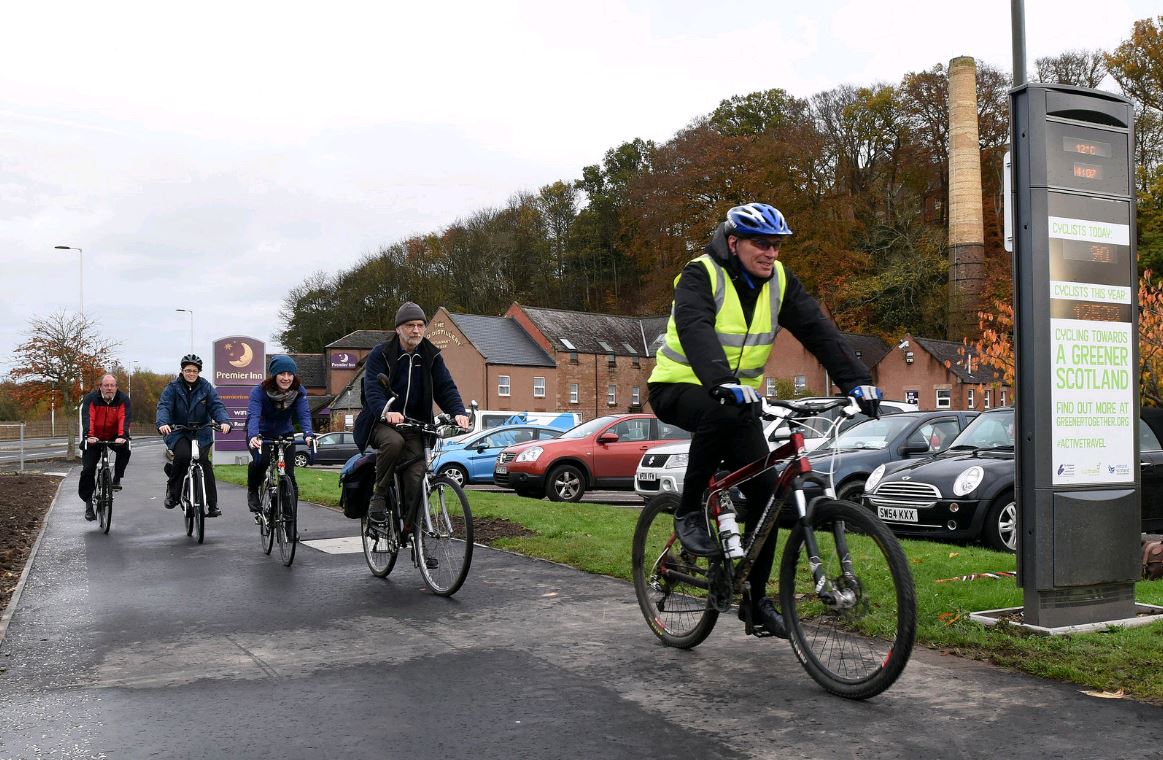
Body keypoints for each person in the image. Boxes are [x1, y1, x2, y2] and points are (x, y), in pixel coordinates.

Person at [648, 202, 882, 639]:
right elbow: (696, 328)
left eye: (776, 245)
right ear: (733, 242)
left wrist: (856, 382)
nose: (770, 253)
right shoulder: (700, 274)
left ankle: (756, 603)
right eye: (761, 243)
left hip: (739, 401)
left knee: (766, 493)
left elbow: (819, 331)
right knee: (717, 411)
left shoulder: (780, 283)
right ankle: (689, 511)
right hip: (679, 386)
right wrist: (721, 381)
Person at [354, 302, 469, 526]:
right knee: (393, 442)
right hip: (381, 422)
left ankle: (414, 531)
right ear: (398, 329)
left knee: (417, 477)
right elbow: (373, 389)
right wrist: (387, 412)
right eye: (410, 325)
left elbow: (445, 387)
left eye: (420, 325)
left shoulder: (431, 355)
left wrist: (458, 412)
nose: (416, 330)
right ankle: (379, 495)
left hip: (416, 426)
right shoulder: (381, 354)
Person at [156, 354, 232, 517]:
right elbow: (164, 407)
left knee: (204, 462)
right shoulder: (173, 388)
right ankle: (173, 494)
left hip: (201, 432)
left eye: (194, 371)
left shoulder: (206, 387)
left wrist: (224, 421)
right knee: (183, 456)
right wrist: (163, 423)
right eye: (188, 370)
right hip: (179, 431)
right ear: (182, 371)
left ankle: (212, 504)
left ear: (199, 372)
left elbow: (217, 406)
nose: (191, 373)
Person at [245, 355, 315, 512]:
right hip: (261, 434)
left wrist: (308, 434)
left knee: (289, 474)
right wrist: (253, 435)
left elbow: (304, 414)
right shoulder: (259, 391)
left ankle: (291, 519)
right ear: (274, 375)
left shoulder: (299, 391)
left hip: (285, 432)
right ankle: (252, 490)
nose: (286, 378)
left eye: (290, 374)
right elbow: (254, 415)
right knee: (261, 462)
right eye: (282, 373)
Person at [78, 373, 132, 521]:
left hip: (114, 435)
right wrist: (89, 436)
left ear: (116, 387)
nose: (109, 388)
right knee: (88, 469)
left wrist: (122, 436)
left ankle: (117, 478)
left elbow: (124, 418)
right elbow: (88, 418)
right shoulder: (91, 399)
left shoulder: (123, 399)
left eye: (112, 385)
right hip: (94, 437)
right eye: (106, 385)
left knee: (126, 449)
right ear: (100, 387)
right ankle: (88, 505)